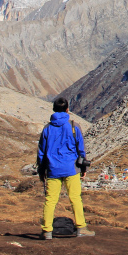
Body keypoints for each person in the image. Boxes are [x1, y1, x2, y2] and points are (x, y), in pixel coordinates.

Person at [38, 97, 94, 239]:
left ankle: (47, 230)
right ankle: (81, 227)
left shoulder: (47, 129)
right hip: (71, 168)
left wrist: (41, 170)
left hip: (52, 169)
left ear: (53, 110)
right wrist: (83, 168)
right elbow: (81, 150)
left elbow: (41, 152)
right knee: (75, 198)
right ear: (67, 110)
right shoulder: (74, 126)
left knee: (50, 200)